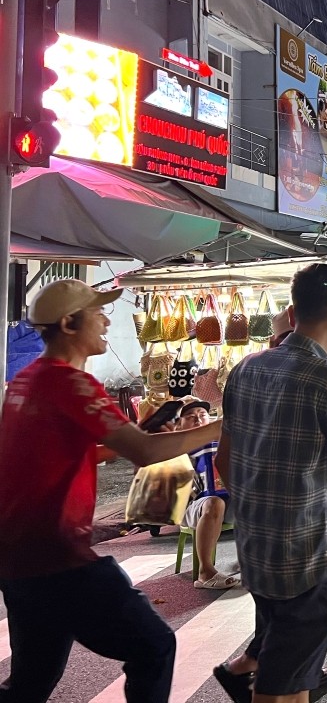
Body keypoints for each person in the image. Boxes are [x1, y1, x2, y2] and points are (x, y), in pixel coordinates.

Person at [0, 279, 222, 703]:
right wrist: (222, 426)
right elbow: (145, 452)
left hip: (19, 555)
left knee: (30, 682)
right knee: (154, 646)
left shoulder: (27, 381)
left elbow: (80, 450)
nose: (106, 321)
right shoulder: (73, 383)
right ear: (69, 323)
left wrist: (134, 435)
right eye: (97, 313)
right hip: (59, 556)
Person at [217, 263, 327, 703]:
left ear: (292, 311)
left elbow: (225, 461)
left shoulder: (246, 368)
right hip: (306, 558)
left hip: (254, 549)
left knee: (290, 673)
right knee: (279, 683)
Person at [176, 397, 240, 590]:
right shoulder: (175, 444)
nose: (197, 419)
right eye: (190, 416)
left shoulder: (221, 440)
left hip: (228, 500)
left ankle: (254, 559)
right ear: (179, 424)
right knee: (213, 503)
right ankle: (205, 572)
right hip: (190, 505)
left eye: (202, 414)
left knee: (261, 498)